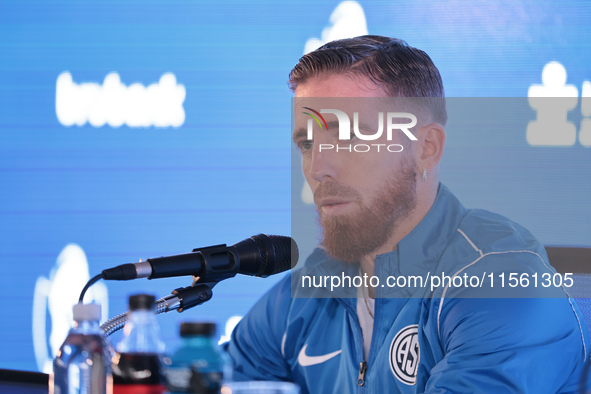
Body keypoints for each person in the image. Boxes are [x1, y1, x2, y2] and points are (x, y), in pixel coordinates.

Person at [227, 36, 590, 393]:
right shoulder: (302, 297)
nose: (319, 167)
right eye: (307, 143)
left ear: (426, 148)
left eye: (349, 137)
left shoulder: (501, 283)